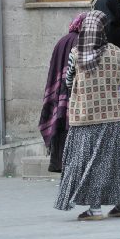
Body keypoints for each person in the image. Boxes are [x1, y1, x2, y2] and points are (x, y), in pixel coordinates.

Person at [54, 11, 120, 220]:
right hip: (113, 115)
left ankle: (95, 209)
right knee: (115, 162)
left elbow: (68, 81)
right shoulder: (115, 51)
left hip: (86, 117)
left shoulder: (76, 53)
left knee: (89, 163)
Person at [38, 12, 87, 172]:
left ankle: (58, 163)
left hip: (60, 90)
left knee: (59, 124)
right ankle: (70, 164)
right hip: (73, 89)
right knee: (69, 125)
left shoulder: (62, 41)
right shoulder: (81, 41)